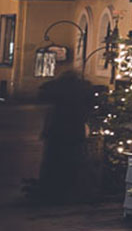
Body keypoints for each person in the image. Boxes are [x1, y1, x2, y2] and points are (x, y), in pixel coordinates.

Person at [34, 69, 98, 202]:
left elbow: (42, 94)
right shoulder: (84, 87)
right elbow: (91, 103)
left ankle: (52, 189)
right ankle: (73, 189)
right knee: (76, 158)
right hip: (75, 129)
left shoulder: (56, 87)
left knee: (53, 158)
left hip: (57, 128)